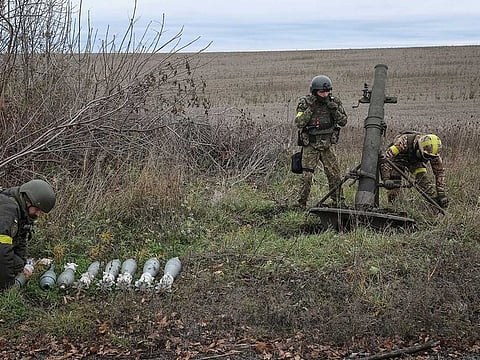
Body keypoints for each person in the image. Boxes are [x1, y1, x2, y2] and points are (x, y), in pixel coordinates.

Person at [294, 75, 348, 208]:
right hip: (311, 145)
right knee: (306, 176)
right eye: (321, 92)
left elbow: (343, 121)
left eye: (327, 91)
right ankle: (301, 204)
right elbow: (299, 122)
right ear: (314, 92)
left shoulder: (334, 102)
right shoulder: (305, 103)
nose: (325, 95)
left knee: (334, 174)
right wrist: (311, 108)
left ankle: (339, 203)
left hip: (327, 144)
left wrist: (333, 110)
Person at [0, 179, 56, 290]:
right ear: (28, 201)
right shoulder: (7, 212)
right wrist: (8, 285)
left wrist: (22, 266)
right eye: (37, 210)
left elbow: (20, 239)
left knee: (18, 264)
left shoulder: (21, 211)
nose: (38, 214)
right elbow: (2, 251)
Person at [380, 132, 448, 208]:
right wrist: (386, 178)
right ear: (420, 147)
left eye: (431, 157)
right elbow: (386, 158)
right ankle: (393, 207)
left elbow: (440, 173)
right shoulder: (403, 141)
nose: (429, 159)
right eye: (426, 156)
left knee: (424, 182)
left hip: (415, 162)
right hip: (397, 160)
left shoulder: (433, 153)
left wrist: (441, 194)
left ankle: (433, 206)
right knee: (394, 187)